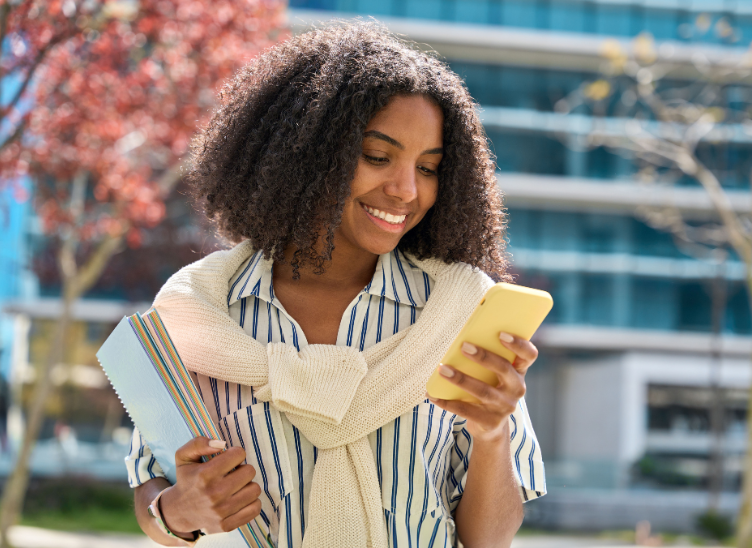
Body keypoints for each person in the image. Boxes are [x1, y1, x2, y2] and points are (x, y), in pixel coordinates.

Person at [126, 23, 545, 548]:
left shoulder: (460, 312)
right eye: (377, 156)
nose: (405, 190)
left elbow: (490, 540)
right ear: (306, 155)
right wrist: (177, 511)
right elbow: (150, 482)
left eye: (429, 167)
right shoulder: (195, 315)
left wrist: (491, 433)